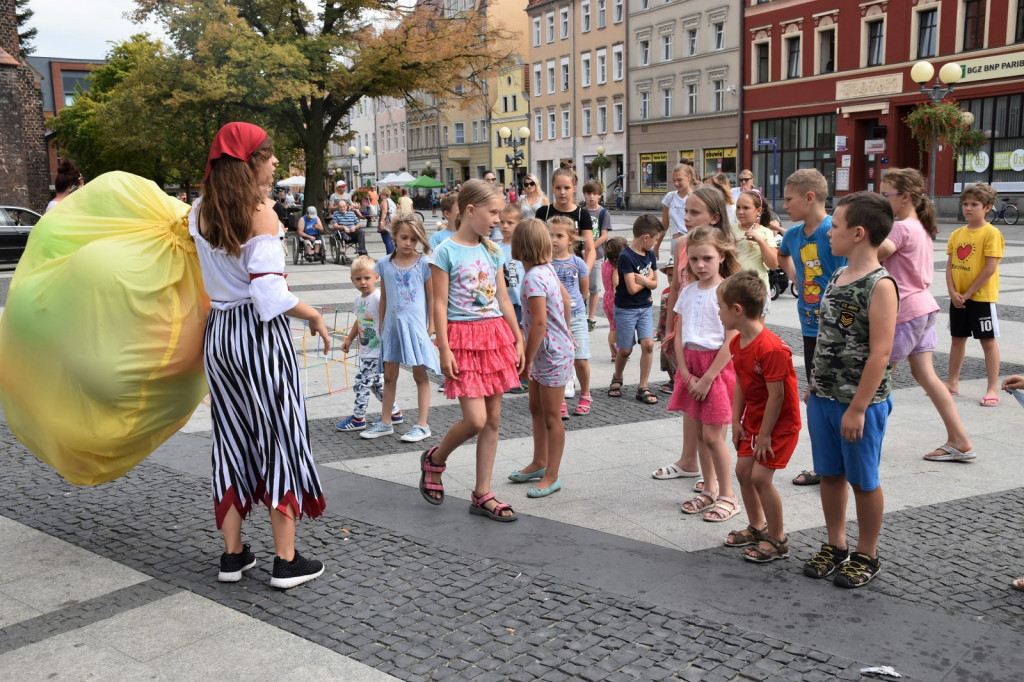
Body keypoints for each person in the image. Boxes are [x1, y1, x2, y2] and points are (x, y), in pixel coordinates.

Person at [189, 121, 327, 589]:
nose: (275, 162)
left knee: (229, 437)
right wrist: (313, 314)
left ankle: (232, 556)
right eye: (269, 155)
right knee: (280, 435)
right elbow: (270, 298)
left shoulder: (198, 212)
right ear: (251, 162)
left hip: (219, 335)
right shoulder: (261, 215)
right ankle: (285, 561)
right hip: (258, 335)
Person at [802, 191, 897, 589]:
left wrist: (858, 408)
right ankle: (835, 544)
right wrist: (814, 385)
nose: (829, 232)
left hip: (859, 404)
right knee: (829, 474)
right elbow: (827, 338)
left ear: (858, 233)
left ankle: (867, 553)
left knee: (863, 480)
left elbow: (881, 354)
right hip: (824, 397)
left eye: (836, 226)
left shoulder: (880, 285)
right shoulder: (838, 275)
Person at [422, 179, 525, 520]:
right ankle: (435, 459)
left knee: (492, 420)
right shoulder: (445, 251)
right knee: (476, 419)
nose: (498, 219)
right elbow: (438, 303)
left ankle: (482, 494)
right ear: (470, 210)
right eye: (493, 212)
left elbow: (503, 298)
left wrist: (517, 337)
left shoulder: (493, 251)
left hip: (494, 336)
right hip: (462, 339)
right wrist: (444, 348)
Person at [877, 169, 973, 460]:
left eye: (885, 195)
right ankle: (959, 438)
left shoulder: (901, 227)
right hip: (923, 308)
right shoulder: (919, 227)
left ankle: (864, 443)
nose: (881, 200)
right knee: (926, 375)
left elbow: (876, 252)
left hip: (905, 310)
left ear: (905, 196)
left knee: (878, 379)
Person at [719, 271, 801, 561]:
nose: (719, 313)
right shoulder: (737, 342)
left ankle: (778, 539)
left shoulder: (772, 348)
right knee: (743, 472)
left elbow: (777, 397)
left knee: (761, 478)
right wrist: (735, 420)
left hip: (778, 425)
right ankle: (757, 526)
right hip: (754, 420)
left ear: (737, 310)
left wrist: (764, 434)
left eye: (720, 308)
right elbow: (741, 382)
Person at [777, 168, 845, 487]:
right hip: (809, 328)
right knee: (816, 396)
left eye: (789, 199)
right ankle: (826, 463)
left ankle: (837, 462)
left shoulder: (834, 231)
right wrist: (796, 278)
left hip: (837, 330)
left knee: (832, 395)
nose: (784, 205)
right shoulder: (793, 235)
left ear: (809, 197)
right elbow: (782, 255)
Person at [670, 226, 741, 522]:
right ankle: (709, 489)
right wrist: (686, 374)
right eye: (694, 259)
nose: (700, 265)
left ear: (721, 256)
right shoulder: (688, 291)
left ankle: (728, 495)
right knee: (700, 433)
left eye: (707, 258)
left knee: (714, 436)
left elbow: (731, 339)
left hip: (717, 368)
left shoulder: (727, 291)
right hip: (692, 365)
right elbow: (679, 333)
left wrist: (709, 377)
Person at [506, 217, 575, 498]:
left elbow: (538, 323)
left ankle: (552, 474)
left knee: (551, 416)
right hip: (550, 352)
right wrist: (567, 331)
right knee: (536, 408)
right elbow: (566, 302)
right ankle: (539, 462)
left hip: (550, 355)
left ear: (520, 245)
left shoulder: (534, 277)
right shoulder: (546, 269)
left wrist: (527, 358)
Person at [361, 215, 440, 442]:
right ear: (394, 235)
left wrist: (432, 325)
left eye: (414, 239)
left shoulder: (424, 264)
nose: (408, 243)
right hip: (392, 327)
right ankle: (386, 421)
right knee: (389, 375)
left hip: (415, 327)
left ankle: (422, 424)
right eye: (404, 237)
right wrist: (382, 324)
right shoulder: (385, 264)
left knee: (419, 374)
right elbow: (385, 297)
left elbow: (432, 297)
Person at [945, 183, 1004, 406]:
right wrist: (952, 292)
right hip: (958, 297)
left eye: (974, 204)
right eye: (965, 204)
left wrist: (969, 293)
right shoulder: (957, 234)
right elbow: (950, 266)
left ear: (987, 207)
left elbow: (990, 268)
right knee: (957, 339)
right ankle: (952, 383)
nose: (968, 208)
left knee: (987, 341)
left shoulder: (991, 233)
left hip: (981, 298)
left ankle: (992, 388)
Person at [335, 256, 405, 432]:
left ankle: (358, 418)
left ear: (376, 277)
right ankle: (394, 412)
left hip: (377, 351)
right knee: (376, 384)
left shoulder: (378, 297)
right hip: (367, 349)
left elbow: (392, 316)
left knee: (361, 382)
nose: (363, 282)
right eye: (358, 279)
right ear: (352, 280)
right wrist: (349, 339)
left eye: (367, 278)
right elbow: (359, 321)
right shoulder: (358, 300)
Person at [609, 214, 660, 404]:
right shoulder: (626, 256)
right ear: (646, 237)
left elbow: (654, 283)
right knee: (625, 350)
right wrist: (648, 281)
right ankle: (617, 376)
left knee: (648, 344)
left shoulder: (650, 254)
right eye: (655, 239)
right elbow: (631, 288)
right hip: (626, 309)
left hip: (645, 306)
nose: (656, 243)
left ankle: (643, 386)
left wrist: (644, 280)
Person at [548, 215, 593, 417]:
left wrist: (574, 306)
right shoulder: (545, 262)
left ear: (570, 239)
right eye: (550, 235)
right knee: (559, 361)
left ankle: (585, 394)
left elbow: (584, 291)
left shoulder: (578, 262)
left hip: (576, 316)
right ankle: (559, 399)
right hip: (553, 319)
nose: (554, 240)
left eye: (559, 236)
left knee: (580, 359)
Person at [733, 190, 779, 293]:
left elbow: (773, 265)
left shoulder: (765, 232)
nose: (740, 211)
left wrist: (760, 241)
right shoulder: (729, 230)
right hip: (733, 288)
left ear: (758, 211)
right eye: (738, 207)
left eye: (746, 208)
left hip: (757, 291)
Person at [583, 179, 612, 333]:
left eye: (595, 194)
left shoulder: (603, 213)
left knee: (594, 287)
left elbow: (604, 235)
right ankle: (580, 315)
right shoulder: (581, 211)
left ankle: (591, 317)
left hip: (596, 255)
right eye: (589, 194)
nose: (591, 197)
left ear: (600, 195)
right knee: (580, 286)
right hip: (580, 254)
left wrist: (590, 248)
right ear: (584, 194)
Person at [659, 163, 698, 255]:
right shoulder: (670, 197)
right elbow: (664, 225)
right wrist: (657, 246)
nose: (676, 183)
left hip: (692, 241)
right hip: (676, 241)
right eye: (674, 180)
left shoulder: (696, 197)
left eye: (679, 180)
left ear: (689, 177)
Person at [499, 203, 526, 328]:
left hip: (521, 301)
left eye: (510, 223)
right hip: (502, 302)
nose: (505, 226)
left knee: (520, 333)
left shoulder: (524, 247)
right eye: (502, 222)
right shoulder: (495, 248)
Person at [601, 237, 627, 364]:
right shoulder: (615, 267)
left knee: (612, 326)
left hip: (607, 297)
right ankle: (617, 352)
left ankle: (613, 353)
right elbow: (616, 284)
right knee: (617, 327)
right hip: (615, 299)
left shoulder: (605, 264)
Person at [655, 258, 678, 395]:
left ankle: (677, 382)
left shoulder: (682, 292)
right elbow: (662, 311)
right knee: (665, 357)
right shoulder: (665, 292)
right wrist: (659, 327)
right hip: (664, 329)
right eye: (669, 275)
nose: (671, 278)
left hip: (676, 331)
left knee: (674, 357)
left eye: (674, 275)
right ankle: (672, 379)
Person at [377, 187, 397, 254]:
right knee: (390, 240)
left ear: (384, 194)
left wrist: (381, 222)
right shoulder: (391, 201)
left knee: (387, 239)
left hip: (386, 221)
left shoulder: (384, 201)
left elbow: (384, 212)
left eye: (381, 194)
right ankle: (392, 254)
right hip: (392, 221)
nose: (380, 196)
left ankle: (389, 255)